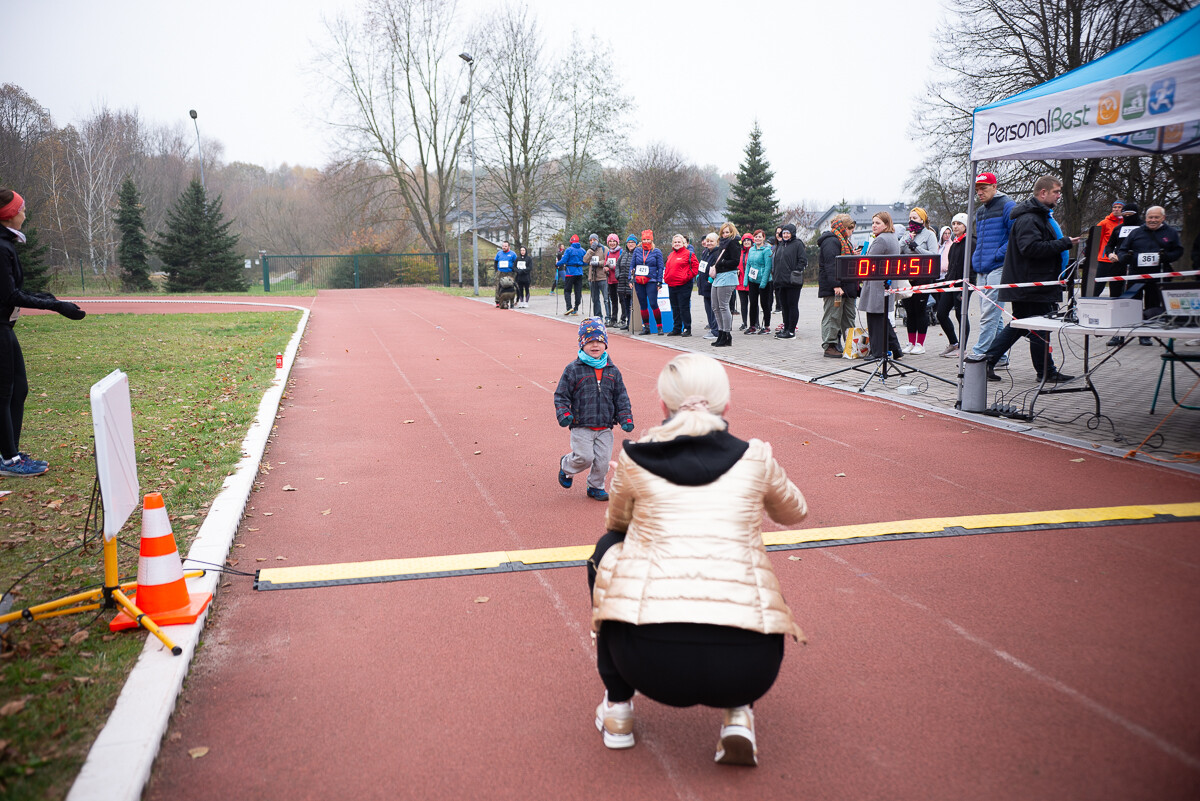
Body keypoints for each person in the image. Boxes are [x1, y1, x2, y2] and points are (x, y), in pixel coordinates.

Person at [588, 351, 808, 765]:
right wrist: (768, 465)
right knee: (748, 569)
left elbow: (616, 525)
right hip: (750, 669)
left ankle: (618, 707)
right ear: (727, 406)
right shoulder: (755, 457)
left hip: (648, 664)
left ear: (662, 406)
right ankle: (738, 715)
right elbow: (795, 513)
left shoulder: (635, 458)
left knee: (605, 551)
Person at [1, 188, 87, 478]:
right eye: (22, 209)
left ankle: (9, 452)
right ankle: (9, 460)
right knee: (4, 394)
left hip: (5, 327)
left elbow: (12, 290)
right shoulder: (1, 247)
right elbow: (10, 296)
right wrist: (55, 306)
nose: (25, 214)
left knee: (19, 389)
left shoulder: (7, 243)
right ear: (10, 215)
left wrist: (50, 299)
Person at [984, 175, 1078, 383]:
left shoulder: (1037, 216)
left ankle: (987, 361)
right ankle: (1045, 371)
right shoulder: (1030, 218)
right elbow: (1030, 248)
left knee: (1024, 326)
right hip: (1031, 286)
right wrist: (1063, 243)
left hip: (1031, 284)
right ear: (1043, 193)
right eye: (1056, 192)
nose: (1059, 196)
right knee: (1036, 327)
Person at [554, 318, 634, 501]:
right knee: (585, 457)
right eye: (590, 341)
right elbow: (561, 395)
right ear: (582, 344)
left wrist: (626, 418)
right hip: (581, 424)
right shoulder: (573, 369)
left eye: (599, 341)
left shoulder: (613, 370)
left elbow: (621, 397)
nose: (595, 345)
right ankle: (566, 465)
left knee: (603, 461)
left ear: (605, 344)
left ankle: (595, 486)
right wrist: (564, 414)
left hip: (605, 426)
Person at [1114, 205, 1184, 344]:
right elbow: (1122, 250)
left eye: (1156, 217)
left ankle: (1146, 335)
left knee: (1152, 305)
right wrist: (1125, 258)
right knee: (1130, 303)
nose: (1153, 220)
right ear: (1145, 218)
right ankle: (1121, 333)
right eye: (1150, 217)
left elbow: (1178, 251)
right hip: (1136, 275)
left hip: (1157, 275)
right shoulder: (1136, 232)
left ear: (1163, 218)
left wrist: (1166, 257)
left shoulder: (1170, 232)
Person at [969, 172, 1016, 364]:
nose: (979, 193)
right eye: (977, 190)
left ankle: (979, 353)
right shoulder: (981, 211)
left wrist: (998, 254)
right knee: (994, 315)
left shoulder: (1008, 205)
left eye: (984, 188)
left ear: (994, 187)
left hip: (998, 266)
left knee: (989, 315)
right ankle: (1000, 356)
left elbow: (1015, 235)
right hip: (983, 268)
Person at [859, 212, 903, 360]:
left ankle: (877, 352)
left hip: (877, 284)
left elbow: (869, 261)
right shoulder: (892, 237)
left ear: (886, 224)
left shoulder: (881, 240)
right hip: (885, 282)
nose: (874, 225)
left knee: (875, 318)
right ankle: (896, 349)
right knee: (883, 318)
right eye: (873, 223)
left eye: (877, 223)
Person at [816, 214, 860, 357]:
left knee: (848, 317)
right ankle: (830, 345)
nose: (852, 232)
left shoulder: (844, 242)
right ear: (844, 228)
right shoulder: (831, 241)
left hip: (847, 287)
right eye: (851, 229)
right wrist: (836, 285)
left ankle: (850, 345)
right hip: (835, 288)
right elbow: (831, 264)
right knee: (833, 316)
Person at [898, 208, 939, 354]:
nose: (912, 220)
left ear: (922, 219)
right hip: (907, 277)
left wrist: (917, 248)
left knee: (920, 310)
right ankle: (911, 342)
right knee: (909, 311)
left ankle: (920, 344)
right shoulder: (906, 234)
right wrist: (906, 240)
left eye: (915, 218)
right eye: (910, 218)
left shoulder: (929, 235)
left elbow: (934, 255)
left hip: (923, 277)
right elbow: (898, 251)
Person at [935, 213, 969, 358]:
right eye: (954, 223)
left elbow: (970, 266)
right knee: (941, 313)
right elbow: (951, 266)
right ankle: (953, 342)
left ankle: (962, 348)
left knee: (961, 315)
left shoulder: (970, 242)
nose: (955, 226)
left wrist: (967, 285)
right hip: (951, 284)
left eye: (959, 224)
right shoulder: (954, 244)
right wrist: (948, 282)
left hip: (963, 285)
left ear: (965, 226)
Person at [708, 222, 742, 347]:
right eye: (723, 232)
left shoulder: (734, 242)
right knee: (715, 306)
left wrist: (722, 262)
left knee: (723, 306)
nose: (725, 234)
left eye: (727, 232)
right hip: (719, 276)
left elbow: (735, 261)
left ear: (732, 232)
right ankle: (721, 333)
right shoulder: (721, 243)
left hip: (728, 276)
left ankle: (726, 334)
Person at [771, 223, 807, 339]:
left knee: (792, 305)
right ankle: (786, 328)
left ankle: (791, 331)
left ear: (792, 233)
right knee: (784, 306)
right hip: (781, 281)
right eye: (784, 233)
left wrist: (795, 271)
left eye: (788, 233)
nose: (785, 235)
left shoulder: (798, 244)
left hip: (793, 282)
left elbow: (803, 260)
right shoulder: (780, 245)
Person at [663, 234, 699, 337]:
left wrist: (686, 277)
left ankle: (687, 328)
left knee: (684, 307)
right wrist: (666, 277)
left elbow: (695, 267)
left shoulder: (689, 254)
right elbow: (668, 268)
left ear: (683, 243)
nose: (677, 244)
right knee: (675, 308)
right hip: (672, 285)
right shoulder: (671, 255)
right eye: (675, 242)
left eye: (679, 242)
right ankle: (677, 328)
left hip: (684, 285)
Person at [631, 230, 666, 335]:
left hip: (651, 280)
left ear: (651, 240)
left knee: (653, 303)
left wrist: (659, 281)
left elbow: (660, 267)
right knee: (643, 304)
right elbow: (632, 265)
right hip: (639, 280)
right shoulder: (637, 251)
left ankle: (659, 327)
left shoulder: (657, 251)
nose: (646, 241)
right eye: (644, 239)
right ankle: (646, 328)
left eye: (648, 239)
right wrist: (630, 278)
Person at [1093, 200, 1126, 297]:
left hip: (1120, 259)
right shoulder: (1104, 223)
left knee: (1117, 285)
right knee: (1098, 284)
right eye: (1114, 207)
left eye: (1119, 207)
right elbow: (1097, 240)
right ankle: (1091, 300)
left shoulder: (1126, 224)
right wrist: (1097, 254)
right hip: (1105, 259)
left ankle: (1117, 302)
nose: (1116, 209)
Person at [745, 230, 773, 335]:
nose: (757, 238)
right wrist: (746, 279)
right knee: (753, 303)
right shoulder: (751, 250)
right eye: (756, 236)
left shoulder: (767, 250)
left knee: (765, 304)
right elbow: (748, 265)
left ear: (763, 238)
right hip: (753, 280)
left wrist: (764, 282)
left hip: (764, 281)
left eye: (760, 236)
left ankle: (766, 326)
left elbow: (768, 267)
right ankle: (752, 326)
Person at [556, 235, 587, 315]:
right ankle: (576, 309)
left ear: (571, 242)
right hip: (579, 273)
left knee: (567, 290)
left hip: (570, 273)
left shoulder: (569, 250)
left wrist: (557, 264)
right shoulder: (583, 250)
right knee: (578, 291)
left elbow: (564, 260)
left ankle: (569, 307)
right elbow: (586, 262)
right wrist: (580, 264)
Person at [697, 233, 718, 338]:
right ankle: (711, 327)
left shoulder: (717, 253)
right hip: (704, 285)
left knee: (714, 308)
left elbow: (716, 268)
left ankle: (716, 330)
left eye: (711, 241)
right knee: (708, 307)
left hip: (711, 285)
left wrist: (710, 280)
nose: (709, 243)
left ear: (717, 242)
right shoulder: (706, 252)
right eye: (707, 241)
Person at [584, 233, 610, 320]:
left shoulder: (604, 249)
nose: (592, 242)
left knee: (606, 299)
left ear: (597, 240)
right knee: (595, 299)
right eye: (591, 240)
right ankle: (598, 316)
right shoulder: (590, 250)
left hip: (603, 277)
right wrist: (591, 250)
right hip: (592, 278)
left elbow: (607, 261)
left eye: (594, 240)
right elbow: (585, 260)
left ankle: (608, 317)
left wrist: (598, 263)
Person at [616, 235, 636, 330]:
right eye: (629, 242)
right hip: (622, 282)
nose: (630, 244)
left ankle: (633, 323)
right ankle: (628, 322)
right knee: (625, 303)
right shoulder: (623, 253)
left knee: (632, 304)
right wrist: (618, 275)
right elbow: (617, 265)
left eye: (632, 242)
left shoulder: (637, 253)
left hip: (631, 282)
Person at [734, 233, 753, 331]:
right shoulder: (739, 252)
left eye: (748, 240)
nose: (746, 242)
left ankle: (755, 323)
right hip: (741, 281)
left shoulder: (753, 252)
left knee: (753, 303)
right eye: (744, 240)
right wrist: (736, 269)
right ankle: (744, 322)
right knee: (743, 303)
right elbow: (736, 263)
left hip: (752, 281)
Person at [603, 234, 621, 325]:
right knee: (613, 301)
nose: (612, 243)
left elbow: (620, 266)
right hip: (610, 280)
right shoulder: (608, 253)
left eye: (614, 241)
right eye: (610, 241)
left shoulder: (620, 252)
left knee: (622, 300)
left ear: (617, 242)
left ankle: (623, 319)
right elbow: (605, 264)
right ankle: (613, 319)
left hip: (618, 280)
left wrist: (612, 267)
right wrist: (605, 269)